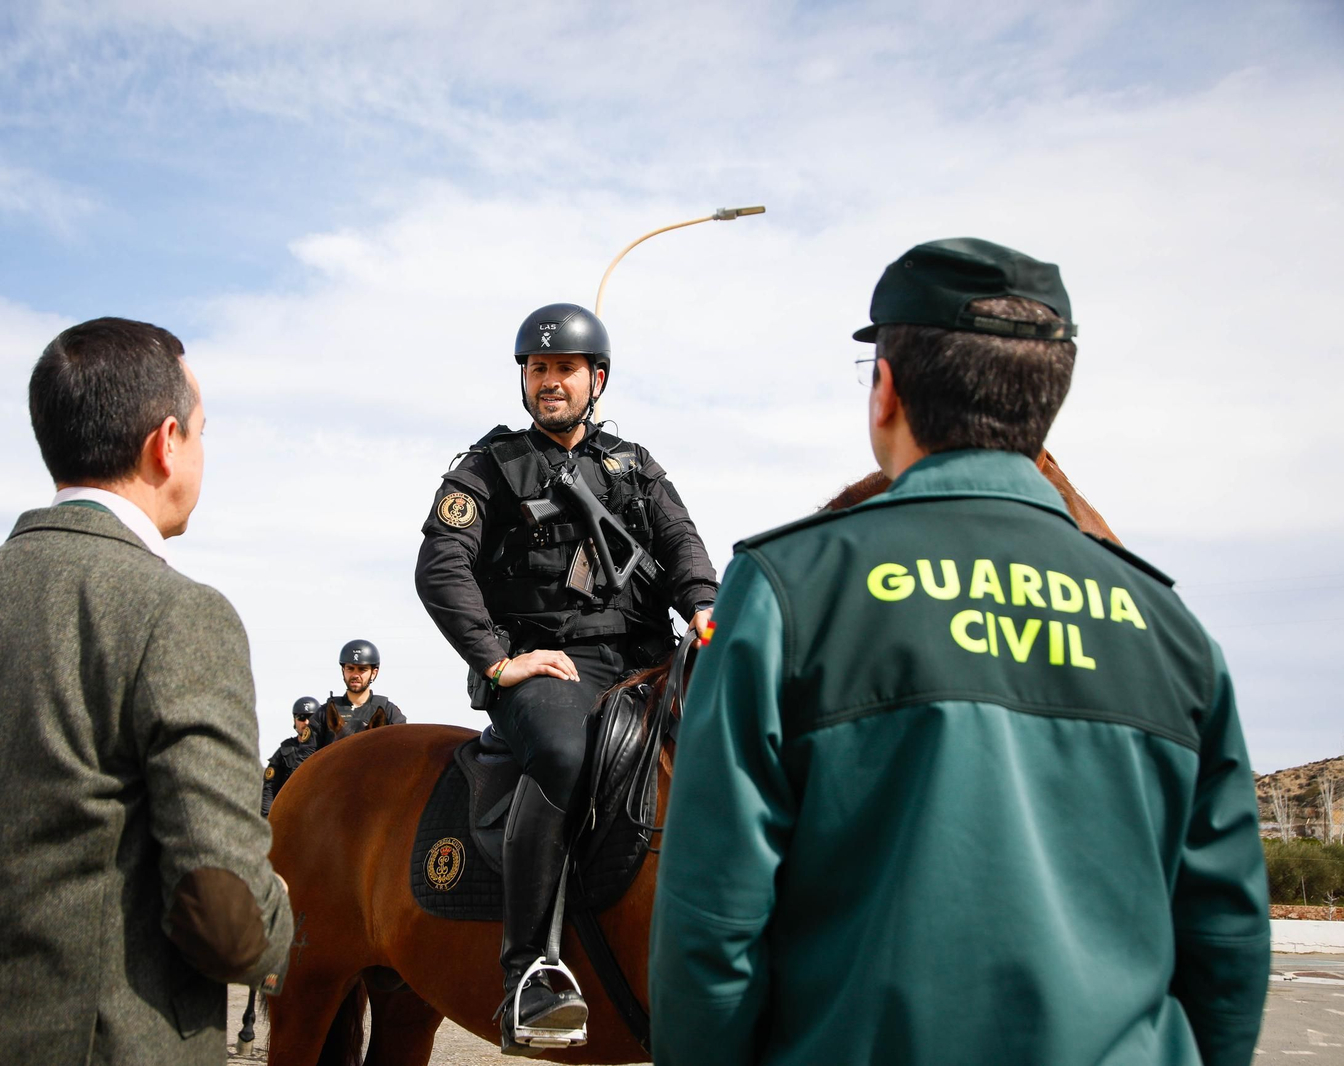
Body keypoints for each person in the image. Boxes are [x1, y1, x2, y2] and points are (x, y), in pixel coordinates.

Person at [649, 239, 1270, 1066]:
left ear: (887, 392)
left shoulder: (784, 590)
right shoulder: (1171, 627)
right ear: (1046, 403)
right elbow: (1227, 944)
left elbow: (712, 929)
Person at [0, 317, 294, 1065]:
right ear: (167, 443)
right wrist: (282, 911)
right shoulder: (180, 614)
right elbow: (228, 919)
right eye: (202, 433)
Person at [415, 302, 718, 1051]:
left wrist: (707, 610)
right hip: (549, 668)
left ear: (596, 379)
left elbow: (683, 549)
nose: (550, 382)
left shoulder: (636, 465)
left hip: (646, 660)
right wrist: (495, 658)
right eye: (538, 368)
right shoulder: (484, 470)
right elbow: (441, 566)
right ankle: (529, 970)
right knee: (562, 754)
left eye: (565, 370)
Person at [319, 638, 406, 740]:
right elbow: (306, 753)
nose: (355, 675)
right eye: (350, 668)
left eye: (362, 669)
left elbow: (402, 746)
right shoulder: (323, 713)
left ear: (373, 673)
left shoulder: (389, 712)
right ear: (343, 670)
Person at [262, 696, 321, 816]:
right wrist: (266, 820)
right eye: (301, 718)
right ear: (295, 720)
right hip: (291, 815)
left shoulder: (327, 748)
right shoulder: (285, 751)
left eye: (311, 717)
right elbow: (270, 788)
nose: (306, 722)